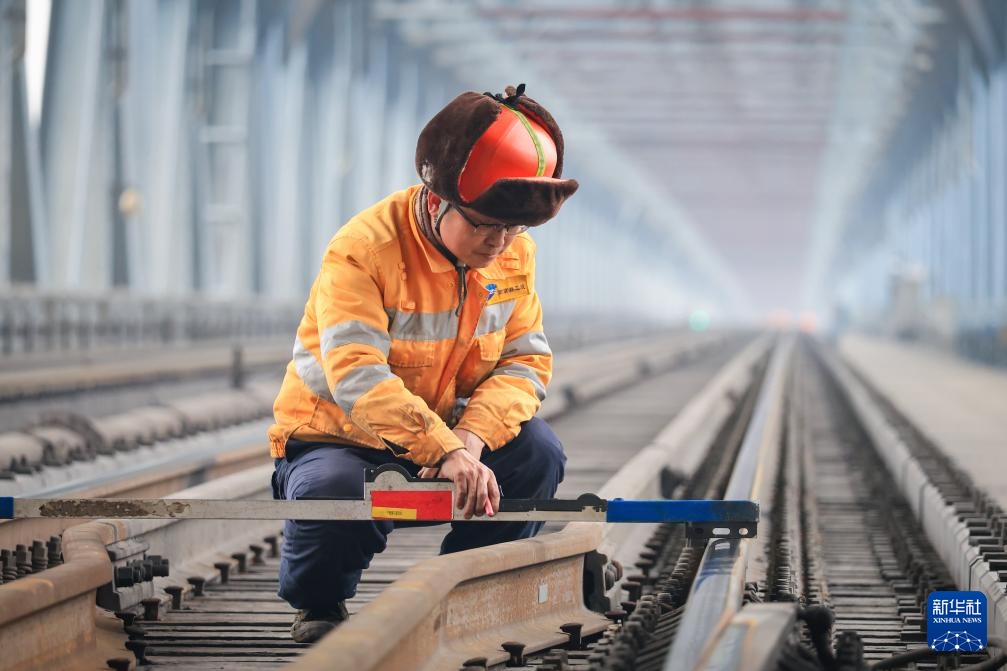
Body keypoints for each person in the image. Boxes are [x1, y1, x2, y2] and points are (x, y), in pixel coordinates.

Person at [267, 84, 579, 643]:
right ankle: (319, 602)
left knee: (538, 452)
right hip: (342, 437)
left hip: (454, 439)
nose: (499, 242)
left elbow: (524, 363)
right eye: (484, 225)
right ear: (437, 203)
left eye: (513, 229)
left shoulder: (513, 254)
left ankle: (472, 589)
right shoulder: (364, 250)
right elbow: (357, 374)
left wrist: (472, 440)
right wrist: (446, 449)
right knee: (331, 489)